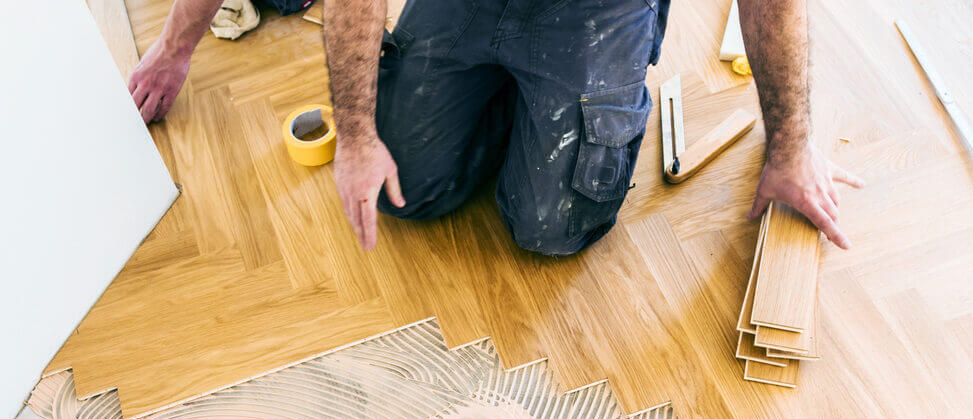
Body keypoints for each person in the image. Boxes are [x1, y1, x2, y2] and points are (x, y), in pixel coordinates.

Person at [130, 0, 864, 255]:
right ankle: (517, 99)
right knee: (404, 191)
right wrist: (356, 135)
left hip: (594, 13)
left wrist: (791, 144)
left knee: (551, 229)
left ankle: (556, 97)